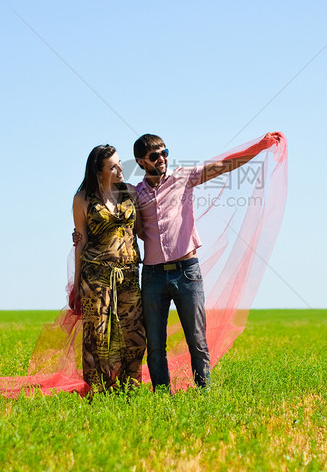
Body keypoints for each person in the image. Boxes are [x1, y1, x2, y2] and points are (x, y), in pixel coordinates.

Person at [133, 132, 283, 391]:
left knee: (197, 340)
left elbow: (225, 165)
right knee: (155, 346)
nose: (162, 159)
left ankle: (204, 394)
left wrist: (261, 146)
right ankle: (161, 398)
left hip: (186, 272)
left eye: (164, 153)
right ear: (141, 162)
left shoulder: (183, 177)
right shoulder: (135, 195)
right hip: (152, 276)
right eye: (154, 156)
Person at [72, 144, 146, 392]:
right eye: (112, 166)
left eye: (119, 163)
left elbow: (142, 230)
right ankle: (97, 392)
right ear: (98, 171)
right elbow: (80, 242)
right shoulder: (82, 199)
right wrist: (75, 283)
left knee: (134, 335)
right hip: (95, 275)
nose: (120, 169)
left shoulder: (131, 193)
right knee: (97, 338)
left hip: (128, 273)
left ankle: (129, 389)